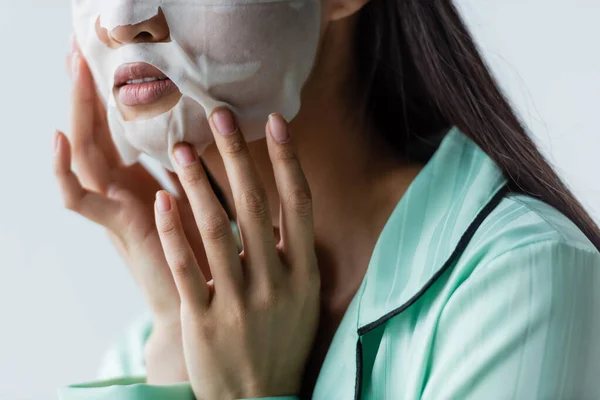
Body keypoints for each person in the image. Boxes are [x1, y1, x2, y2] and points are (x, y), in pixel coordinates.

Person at [54, 0, 600, 399]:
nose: (122, 20)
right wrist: (179, 339)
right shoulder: (158, 339)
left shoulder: (527, 281)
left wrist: (245, 396)